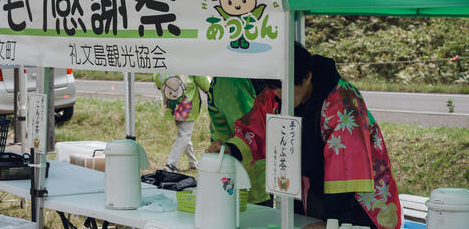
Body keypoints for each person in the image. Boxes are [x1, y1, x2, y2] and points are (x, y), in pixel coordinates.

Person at [225, 43, 401, 229]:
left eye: (284, 88)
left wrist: (332, 223)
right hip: (311, 188)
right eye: (274, 88)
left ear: (307, 76)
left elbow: (347, 165)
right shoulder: (276, 93)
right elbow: (256, 128)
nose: (278, 94)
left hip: (357, 195)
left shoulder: (342, 101)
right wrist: (230, 149)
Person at [206, 76, 270, 205]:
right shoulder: (231, 81)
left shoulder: (230, 77)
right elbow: (251, 128)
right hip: (246, 173)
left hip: (238, 167)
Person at [153, 74, 210, 172]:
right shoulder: (191, 62)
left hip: (172, 103)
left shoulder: (167, 59)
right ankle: (171, 164)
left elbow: (158, 76)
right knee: (184, 135)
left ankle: (193, 163)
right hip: (187, 105)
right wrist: (209, 88)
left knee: (184, 134)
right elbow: (203, 80)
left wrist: (160, 84)